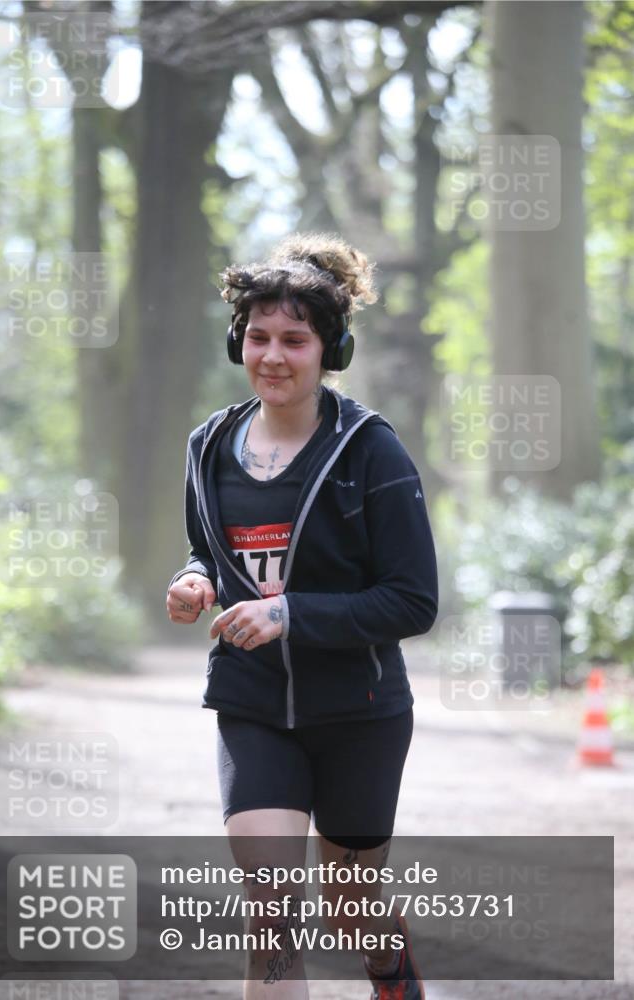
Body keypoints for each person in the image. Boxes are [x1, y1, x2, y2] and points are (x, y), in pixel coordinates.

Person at [166, 233, 438, 1000]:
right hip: (253, 703)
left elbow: (413, 599)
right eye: (258, 337)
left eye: (294, 340)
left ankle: (394, 980)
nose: (273, 356)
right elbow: (206, 549)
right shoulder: (209, 446)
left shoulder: (369, 451)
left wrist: (290, 613)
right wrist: (194, 580)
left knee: (352, 907)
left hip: (358, 710)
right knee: (272, 911)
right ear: (237, 342)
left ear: (330, 349)